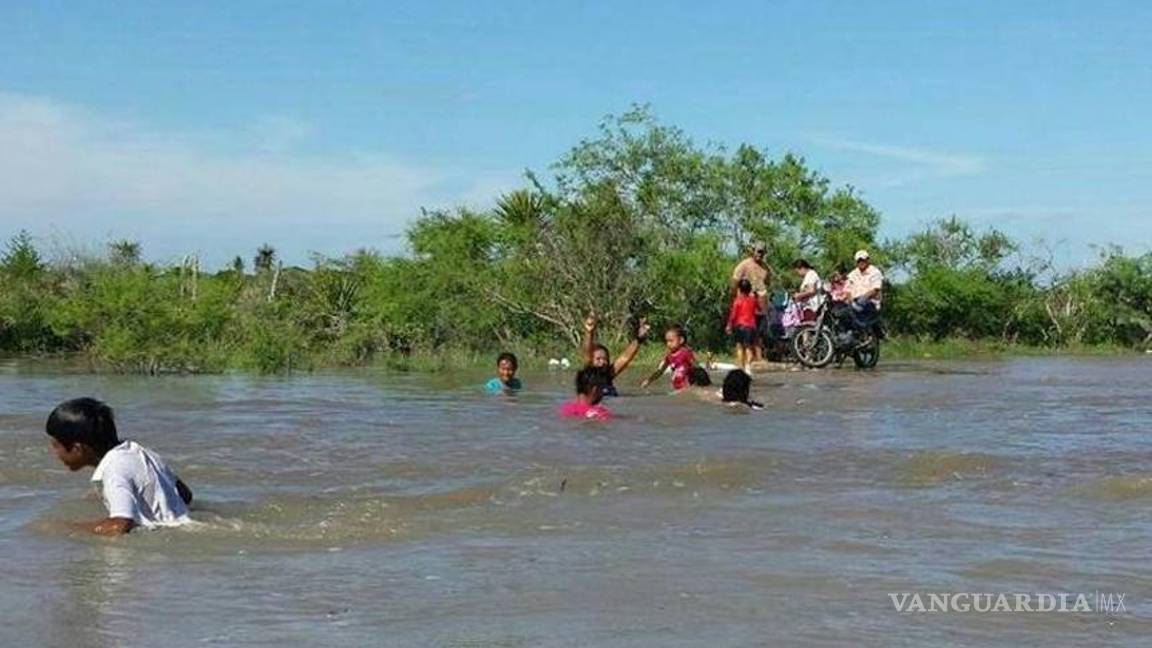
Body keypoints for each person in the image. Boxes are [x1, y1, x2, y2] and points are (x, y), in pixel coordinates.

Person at [45, 397, 193, 535]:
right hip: (186, 527)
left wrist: (65, 528)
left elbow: (119, 526)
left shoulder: (113, 470)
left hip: (163, 537)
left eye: (56, 446)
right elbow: (185, 495)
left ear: (78, 449)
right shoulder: (140, 452)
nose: (54, 453)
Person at [582, 315, 650, 397]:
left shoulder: (608, 375)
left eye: (605, 359)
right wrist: (589, 332)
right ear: (591, 360)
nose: (602, 362)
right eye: (598, 359)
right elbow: (587, 352)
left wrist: (639, 339)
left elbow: (625, 358)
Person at [731, 243, 772, 361]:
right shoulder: (744, 265)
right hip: (746, 305)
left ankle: (758, 357)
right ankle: (743, 359)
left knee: (760, 331)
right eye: (758, 251)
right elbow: (734, 281)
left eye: (762, 252)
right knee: (745, 332)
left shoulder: (765, 267)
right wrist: (738, 298)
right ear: (753, 251)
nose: (760, 254)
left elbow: (767, 283)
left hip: (760, 304)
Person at [641, 325, 696, 391]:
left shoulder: (686, 353)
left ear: (681, 340)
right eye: (667, 341)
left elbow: (696, 367)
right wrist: (649, 380)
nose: (668, 344)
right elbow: (660, 371)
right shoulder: (669, 356)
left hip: (688, 387)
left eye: (671, 341)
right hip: (677, 388)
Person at [725, 279, 759, 373]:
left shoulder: (737, 301)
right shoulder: (753, 300)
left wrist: (729, 325)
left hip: (740, 325)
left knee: (740, 347)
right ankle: (748, 366)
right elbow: (758, 309)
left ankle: (741, 367)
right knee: (749, 347)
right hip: (751, 326)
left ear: (739, 289)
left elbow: (733, 314)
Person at [845, 250, 884, 319]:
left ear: (867, 260)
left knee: (859, 309)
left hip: (870, 304)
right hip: (854, 303)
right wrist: (851, 301)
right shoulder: (852, 274)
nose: (861, 262)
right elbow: (847, 289)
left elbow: (875, 290)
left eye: (863, 260)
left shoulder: (875, 272)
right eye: (859, 261)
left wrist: (862, 299)